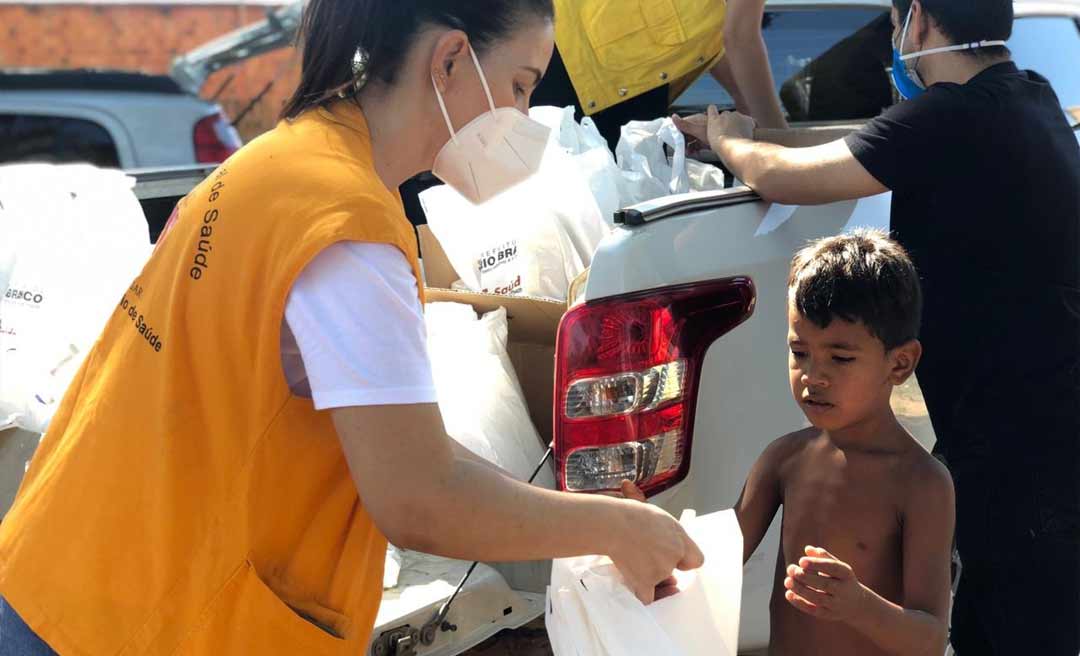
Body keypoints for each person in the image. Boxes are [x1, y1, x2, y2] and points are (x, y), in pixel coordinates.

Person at [0, 2, 705, 654]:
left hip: (67, 569)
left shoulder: (284, 162)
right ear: (451, 59)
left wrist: (578, 511)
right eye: (520, 86)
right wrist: (612, 528)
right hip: (135, 621)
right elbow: (417, 496)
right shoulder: (347, 228)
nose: (524, 117)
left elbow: (406, 449)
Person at [675, 0, 1080, 652]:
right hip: (1046, 441)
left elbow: (785, 176)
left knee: (1014, 627)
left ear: (917, 18)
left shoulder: (952, 114)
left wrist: (723, 135)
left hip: (1019, 462)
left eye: (893, 25)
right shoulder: (1029, 100)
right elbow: (846, 148)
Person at [737, 231, 954, 655]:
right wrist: (644, 534)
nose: (813, 376)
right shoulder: (785, 459)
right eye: (799, 352)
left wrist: (858, 606)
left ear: (900, 363)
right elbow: (717, 559)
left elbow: (929, 639)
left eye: (840, 358)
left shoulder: (922, 482)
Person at [528, 0, 788, 150]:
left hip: (559, 45)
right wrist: (783, 145)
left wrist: (753, 117)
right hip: (614, 77)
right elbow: (739, 37)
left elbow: (716, 34)